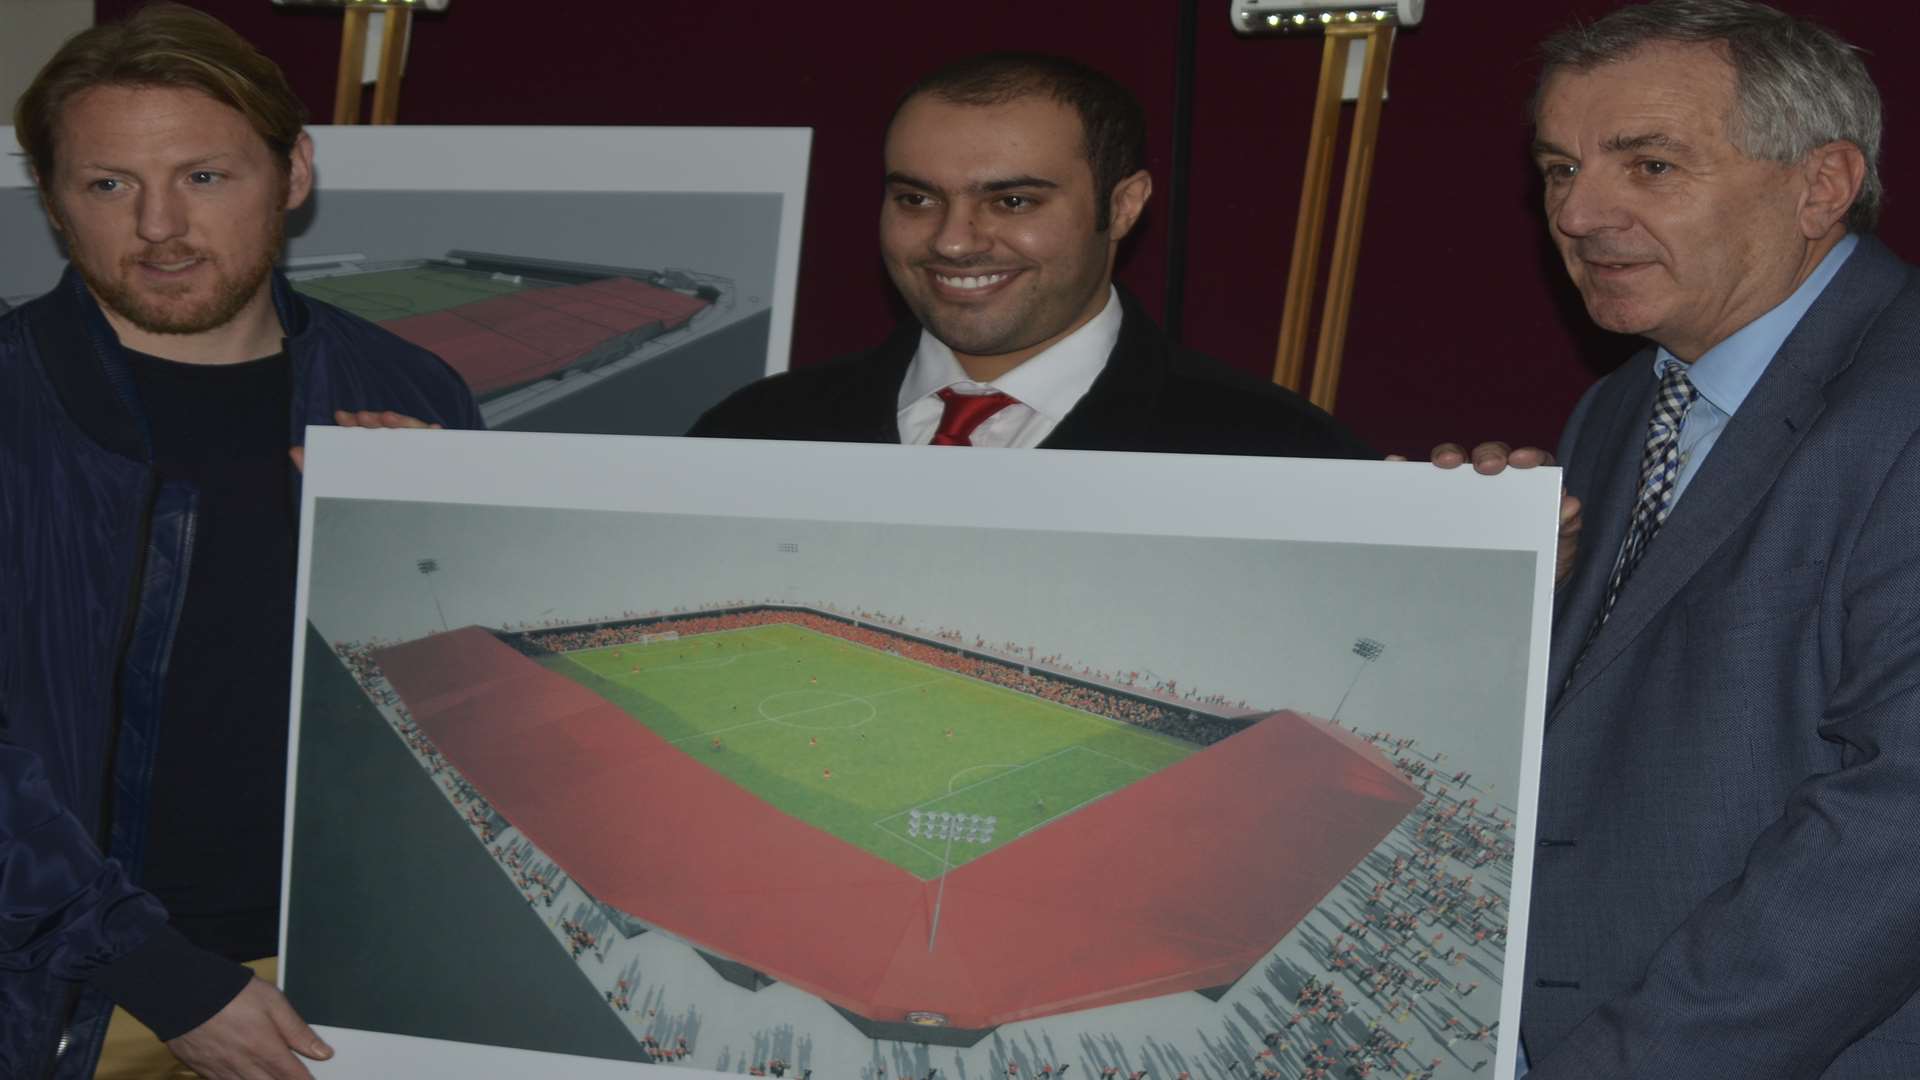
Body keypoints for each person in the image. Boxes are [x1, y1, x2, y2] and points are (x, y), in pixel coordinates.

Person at [0, 6, 481, 1079]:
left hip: (346, 981)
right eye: (109, 184)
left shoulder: (408, 390)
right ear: (53, 202)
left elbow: (456, 688)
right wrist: (163, 973)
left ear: (295, 172)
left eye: (205, 178)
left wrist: (448, 534)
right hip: (69, 998)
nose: (160, 225)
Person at [1443, 1, 1920, 1075]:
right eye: (1559, 169)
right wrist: (1489, 591)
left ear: (1822, 184)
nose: (1580, 212)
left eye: (1648, 167)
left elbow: (1899, 823)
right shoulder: (1621, 408)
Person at [690, 52, 1372, 459]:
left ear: (1125, 205)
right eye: (916, 200)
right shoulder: (754, 432)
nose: (954, 241)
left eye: (1012, 202)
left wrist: (1469, 511)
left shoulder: (1276, 452)